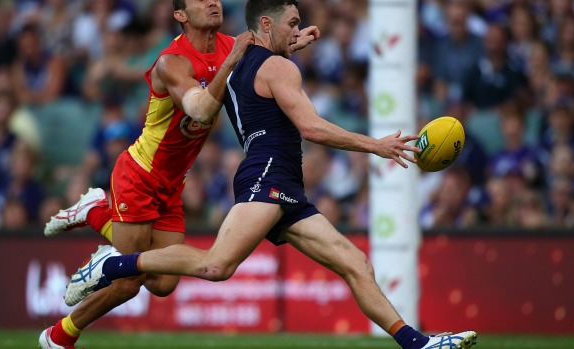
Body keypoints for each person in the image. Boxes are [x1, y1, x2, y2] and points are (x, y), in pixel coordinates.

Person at [64, 1, 478, 348]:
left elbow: (242, 64)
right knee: (216, 265)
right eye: (292, 23)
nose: (298, 29)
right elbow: (312, 127)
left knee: (356, 264)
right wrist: (377, 146)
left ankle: (418, 343)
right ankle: (110, 267)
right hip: (268, 171)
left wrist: (293, 42)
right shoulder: (274, 67)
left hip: (281, 178)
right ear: (265, 24)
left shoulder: (237, 59)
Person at [38, 0, 319, 348]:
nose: (214, 2)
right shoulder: (172, 62)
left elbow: (266, 47)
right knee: (129, 279)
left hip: (173, 182)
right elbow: (200, 111)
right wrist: (230, 64)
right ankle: (59, 336)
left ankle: (94, 211)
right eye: (201, 0)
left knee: (163, 284)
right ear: (180, 16)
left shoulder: (233, 44)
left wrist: (293, 40)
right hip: (139, 174)